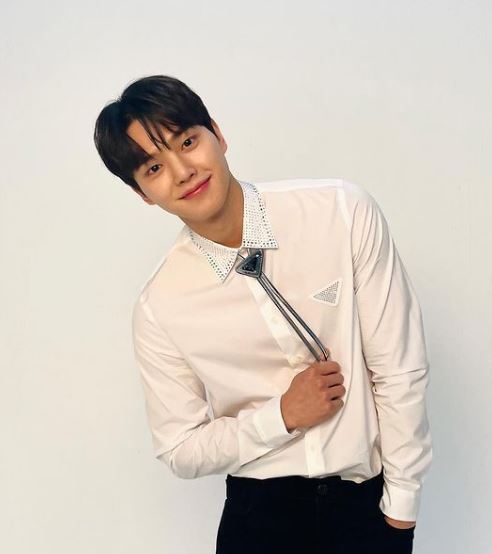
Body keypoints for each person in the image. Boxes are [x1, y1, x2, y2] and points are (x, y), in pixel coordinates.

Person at [93, 74, 432, 554]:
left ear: (217, 133)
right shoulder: (160, 306)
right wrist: (281, 416)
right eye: (153, 167)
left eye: (187, 142)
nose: (183, 171)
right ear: (142, 192)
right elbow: (179, 448)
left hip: (365, 509)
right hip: (258, 519)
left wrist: (401, 511)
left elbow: (399, 369)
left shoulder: (339, 212)